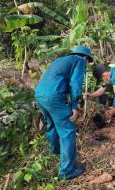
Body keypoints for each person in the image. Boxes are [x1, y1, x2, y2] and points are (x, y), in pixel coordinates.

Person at [35, 45, 93, 180]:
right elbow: (75, 84)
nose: (86, 65)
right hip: (53, 97)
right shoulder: (79, 61)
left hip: (39, 95)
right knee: (68, 132)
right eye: (87, 62)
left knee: (52, 125)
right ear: (85, 57)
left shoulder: (60, 60)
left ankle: (54, 152)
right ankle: (67, 171)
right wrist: (74, 105)